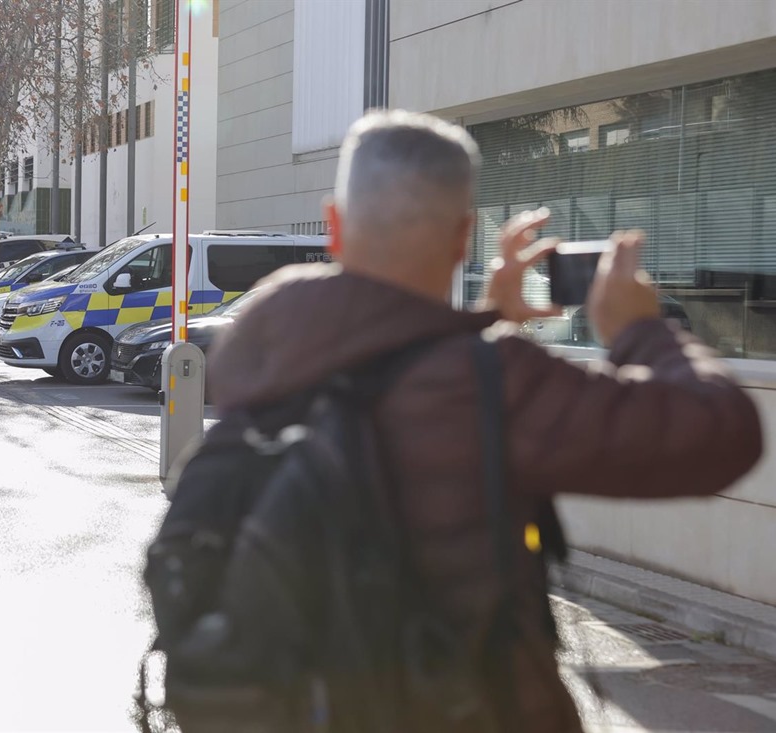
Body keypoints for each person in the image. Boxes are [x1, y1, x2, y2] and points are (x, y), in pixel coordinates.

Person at [204, 110, 763, 732]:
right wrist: (639, 329)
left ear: (333, 223)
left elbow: (386, 360)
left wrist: (483, 321)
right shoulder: (495, 382)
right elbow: (722, 433)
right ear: (464, 236)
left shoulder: (260, 344)